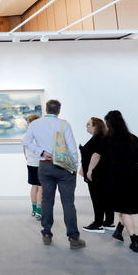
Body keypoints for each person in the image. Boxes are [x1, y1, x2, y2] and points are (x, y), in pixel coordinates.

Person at [22, 99, 85, 249]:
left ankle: (46, 234)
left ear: (46, 109)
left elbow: (26, 142)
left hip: (45, 166)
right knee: (68, 202)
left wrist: (41, 152)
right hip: (64, 167)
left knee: (47, 200)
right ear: (59, 110)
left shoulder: (35, 124)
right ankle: (73, 238)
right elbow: (72, 148)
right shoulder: (64, 124)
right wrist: (74, 167)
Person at [94, 110, 138, 253]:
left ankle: (134, 241)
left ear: (109, 123)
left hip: (118, 176)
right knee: (125, 207)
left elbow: (102, 159)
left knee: (126, 210)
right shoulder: (133, 138)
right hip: (134, 174)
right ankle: (118, 230)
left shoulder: (106, 140)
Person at [79, 117, 115, 233]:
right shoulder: (103, 138)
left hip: (97, 173)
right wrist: (83, 168)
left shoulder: (97, 139)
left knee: (97, 198)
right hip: (103, 173)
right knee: (105, 197)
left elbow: (96, 155)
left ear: (96, 126)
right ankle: (109, 222)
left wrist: (89, 170)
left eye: (88, 124)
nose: (86, 126)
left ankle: (98, 223)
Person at [22, 114, 42, 220]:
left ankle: (34, 210)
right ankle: (39, 211)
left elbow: (25, 152)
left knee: (34, 187)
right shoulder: (40, 136)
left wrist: (29, 159)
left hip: (30, 164)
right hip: (40, 164)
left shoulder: (25, 136)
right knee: (41, 188)